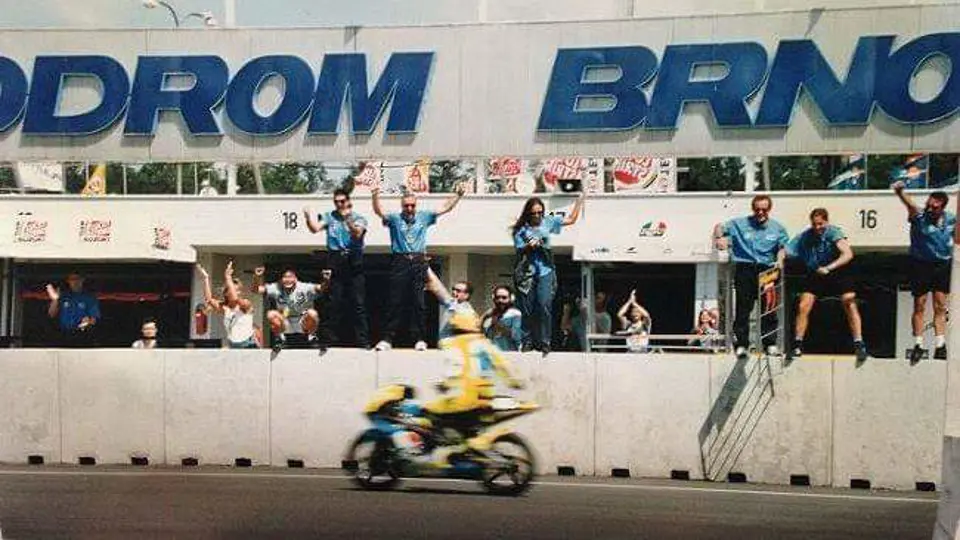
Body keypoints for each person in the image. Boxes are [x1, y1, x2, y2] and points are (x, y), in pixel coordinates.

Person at [414, 310, 523, 468]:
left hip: (464, 398)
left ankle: (429, 453)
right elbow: (502, 363)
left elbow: (456, 367)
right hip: (485, 397)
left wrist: (445, 384)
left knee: (428, 411)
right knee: (468, 430)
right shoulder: (484, 343)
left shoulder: (454, 344)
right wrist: (513, 382)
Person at [372, 183, 465, 351]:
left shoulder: (424, 217)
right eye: (406, 206)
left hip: (418, 260)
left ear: (416, 205)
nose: (409, 209)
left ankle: (420, 339)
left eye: (412, 205)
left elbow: (445, 208)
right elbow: (379, 211)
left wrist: (457, 195)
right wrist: (375, 195)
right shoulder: (395, 218)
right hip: (400, 260)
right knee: (395, 301)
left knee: (419, 302)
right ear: (402, 206)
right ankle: (387, 339)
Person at [787, 208, 867, 364]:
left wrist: (829, 267)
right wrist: (778, 260)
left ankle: (859, 343)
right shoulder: (805, 236)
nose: (817, 228)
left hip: (837, 270)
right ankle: (797, 344)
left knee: (849, 301)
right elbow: (787, 249)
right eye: (814, 224)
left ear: (826, 222)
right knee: (804, 304)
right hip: (816, 272)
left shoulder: (833, 233)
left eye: (820, 224)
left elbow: (848, 254)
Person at [713, 194, 789, 360]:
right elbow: (719, 227)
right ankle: (742, 344)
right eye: (757, 209)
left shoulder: (777, 228)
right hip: (745, 268)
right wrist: (720, 238)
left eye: (764, 209)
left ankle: (770, 343)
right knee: (743, 308)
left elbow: (782, 247)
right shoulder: (739, 224)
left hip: (768, 270)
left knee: (769, 308)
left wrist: (780, 260)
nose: (760, 212)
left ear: (769, 209)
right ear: (753, 208)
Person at [512, 193, 585, 354]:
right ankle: (527, 340)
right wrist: (529, 246)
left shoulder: (548, 221)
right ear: (528, 213)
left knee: (544, 305)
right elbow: (519, 249)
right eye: (534, 213)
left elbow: (571, 219)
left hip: (545, 270)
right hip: (527, 273)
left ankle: (545, 341)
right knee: (528, 308)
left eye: (540, 212)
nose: (537, 216)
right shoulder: (521, 230)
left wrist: (579, 201)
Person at [894, 181, 956, 362]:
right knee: (919, 304)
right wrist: (900, 192)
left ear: (942, 208)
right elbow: (910, 205)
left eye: (934, 207)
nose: (930, 209)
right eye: (928, 205)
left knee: (940, 305)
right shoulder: (919, 216)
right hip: (921, 264)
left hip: (942, 264)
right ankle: (918, 344)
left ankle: (940, 345)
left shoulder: (951, 219)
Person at [304, 188, 370, 349]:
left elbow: (357, 234)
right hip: (335, 258)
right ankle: (328, 339)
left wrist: (348, 220)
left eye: (342, 201)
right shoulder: (329, 216)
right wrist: (308, 217)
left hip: (353, 259)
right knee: (333, 302)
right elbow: (315, 228)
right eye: (336, 202)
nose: (339, 204)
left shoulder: (359, 218)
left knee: (358, 303)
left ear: (348, 201)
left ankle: (362, 340)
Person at [253, 266, 331, 352]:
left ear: (296, 279)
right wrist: (256, 277)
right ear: (281, 280)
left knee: (312, 313)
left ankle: (312, 337)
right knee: (271, 314)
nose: (288, 280)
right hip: (285, 322)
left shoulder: (304, 287)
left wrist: (326, 280)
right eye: (285, 277)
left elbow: (322, 288)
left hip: (302, 322)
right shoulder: (276, 287)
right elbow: (256, 290)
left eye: (290, 277)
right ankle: (280, 339)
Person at [197, 261, 258, 349]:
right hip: (233, 345)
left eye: (238, 290)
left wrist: (228, 277)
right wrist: (206, 278)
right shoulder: (225, 308)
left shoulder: (245, 304)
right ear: (226, 293)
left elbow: (235, 299)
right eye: (234, 290)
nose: (237, 293)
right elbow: (209, 300)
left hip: (248, 345)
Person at [46, 272, 100, 348]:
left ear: (82, 280)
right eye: (72, 279)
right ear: (68, 281)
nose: (75, 282)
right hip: (64, 335)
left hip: (82, 335)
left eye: (77, 279)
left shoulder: (89, 298)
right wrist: (55, 300)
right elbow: (51, 314)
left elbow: (94, 319)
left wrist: (88, 322)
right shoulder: (63, 296)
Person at [481, 285, 523, 352]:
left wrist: (498, 324)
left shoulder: (515, 314)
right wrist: (484, 317)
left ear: (511, 299)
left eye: (504, 298)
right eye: (497, 297)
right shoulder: (490, 315)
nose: (500, 300)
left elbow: (516, 336)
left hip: (509, 354)